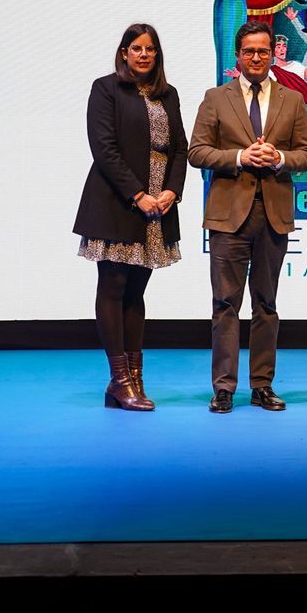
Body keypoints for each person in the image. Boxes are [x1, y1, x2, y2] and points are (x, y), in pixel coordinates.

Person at [189, 20, 307, 414]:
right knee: (225, 304)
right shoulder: (216, 98)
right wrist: (241, 156)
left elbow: (306, 154)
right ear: (238, 55)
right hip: (228, 216)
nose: (256, 57)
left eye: (263, 51)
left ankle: (262, 385)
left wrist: (279, 158)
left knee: (266, 304)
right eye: (249, 51)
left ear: (273, 54)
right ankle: (224, 387)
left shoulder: (292, 100)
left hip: (272, 215)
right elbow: (197, 152)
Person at [71, 23, 188, 412]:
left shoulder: (168, 94)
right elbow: (103, 147)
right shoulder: (106, 89)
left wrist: (171, 191)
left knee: (137, 292)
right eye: (136, 48)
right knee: (114, 285)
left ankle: (134, 379)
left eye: (150, 49)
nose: (143, 54)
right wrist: (137, 194)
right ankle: (120, 380)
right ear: (124, 53)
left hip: (158, 205)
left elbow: (180, 148)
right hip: (118, 201)